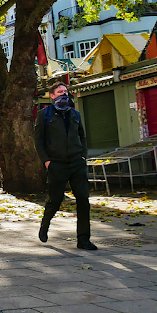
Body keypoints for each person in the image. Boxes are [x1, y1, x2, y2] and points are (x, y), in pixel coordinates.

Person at [35, 82, 96, 250]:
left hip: (77, 163)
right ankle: (45, 225)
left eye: (65, 91)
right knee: (55, 200)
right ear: (52, 96)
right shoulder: (44, 115)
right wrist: (46, 161)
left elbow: (82, 136)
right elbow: (38, 140)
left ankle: (83, 239)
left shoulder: (75, 114)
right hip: (57, 164)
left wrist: (83, 155)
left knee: (83, 200)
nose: (64, 94)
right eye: (60, 92)